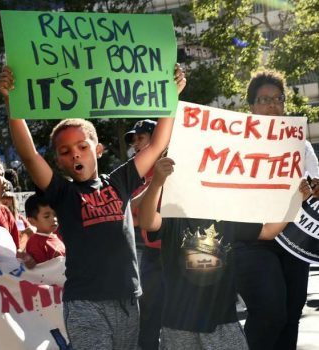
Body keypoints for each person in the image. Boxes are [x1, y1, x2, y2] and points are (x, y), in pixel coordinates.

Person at [0, 64, 186, 349]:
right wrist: (11, 101)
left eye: (82, 147)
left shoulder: (120, 180)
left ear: (97, 150)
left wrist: (173, 94)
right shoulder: (62, 192)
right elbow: (29, 154)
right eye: (65, 152)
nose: (75, 154)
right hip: (84, 304)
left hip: (127, 301)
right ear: (58, 161)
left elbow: (158, 143)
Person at [137, 157, 313, 350]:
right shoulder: (174, 217)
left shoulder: (227, 219)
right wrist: (156, 184)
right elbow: (146, 221)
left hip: (223, 322)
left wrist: (296, 202)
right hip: (178, 324)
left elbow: (268, 231)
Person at [234, 69, 319, 350]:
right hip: (253, 240)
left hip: (295, 239)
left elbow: (315, 182)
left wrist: (314, 188)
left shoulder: (300, 144)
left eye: (277, 99)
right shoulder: (237, 144)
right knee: (270, 311)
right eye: (264, 99)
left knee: (291, 313)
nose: (272, 105)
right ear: (251, 107)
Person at [125, 119, 164, 350]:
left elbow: (139, 215)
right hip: (150, 254)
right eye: (133, 140)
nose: (135, 144)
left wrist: (141, 212)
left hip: (176, 253)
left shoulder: (172, 165)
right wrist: (156, 186)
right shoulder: (134, 172)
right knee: (148, 316)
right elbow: (128, 213)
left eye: (140, 138)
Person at [24, 193, 64, 267]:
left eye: (55, 214)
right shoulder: (35, 243)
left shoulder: (57, 235)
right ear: (32, 221)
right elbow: (43, 272)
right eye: (46, 216)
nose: (54, 219)